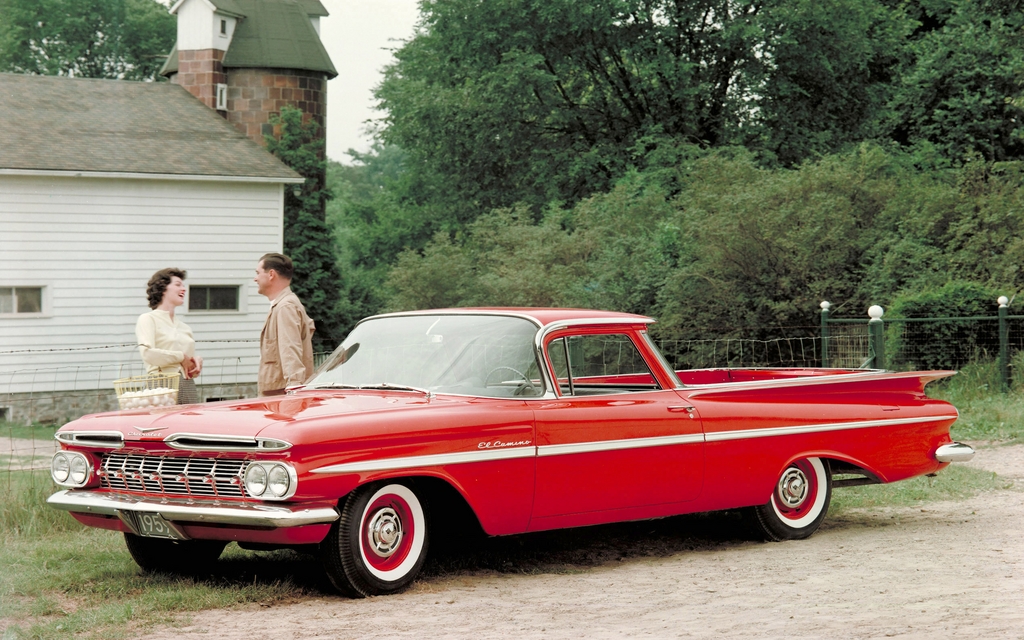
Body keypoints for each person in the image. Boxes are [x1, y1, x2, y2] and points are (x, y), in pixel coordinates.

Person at [136, 268, 202, 404]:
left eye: (183, 285)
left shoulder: (185, 327)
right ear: (162, 288)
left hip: (187, 386)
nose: (184, 289)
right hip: (160, 385)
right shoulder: (148, 319)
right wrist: (181, 356)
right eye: (178, 285)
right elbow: (147, 354)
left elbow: (187, 369)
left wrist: (195, 362)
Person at [254, 252, 315, 395]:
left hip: (280, 397)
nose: (255, 278)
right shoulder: (284, 305)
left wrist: (294, 389)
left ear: (271, 274)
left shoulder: (285, 307)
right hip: (276, 392)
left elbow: (290, 349)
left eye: (258, 273)